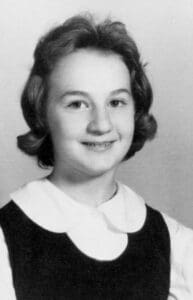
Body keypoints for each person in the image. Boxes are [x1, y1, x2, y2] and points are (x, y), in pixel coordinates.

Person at [0, 13, 192, 300]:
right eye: (77, 104)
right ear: (42, 112)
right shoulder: (7, 238)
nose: (101, 124)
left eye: (116, 102)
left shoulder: (175, 243)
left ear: (135, 110)